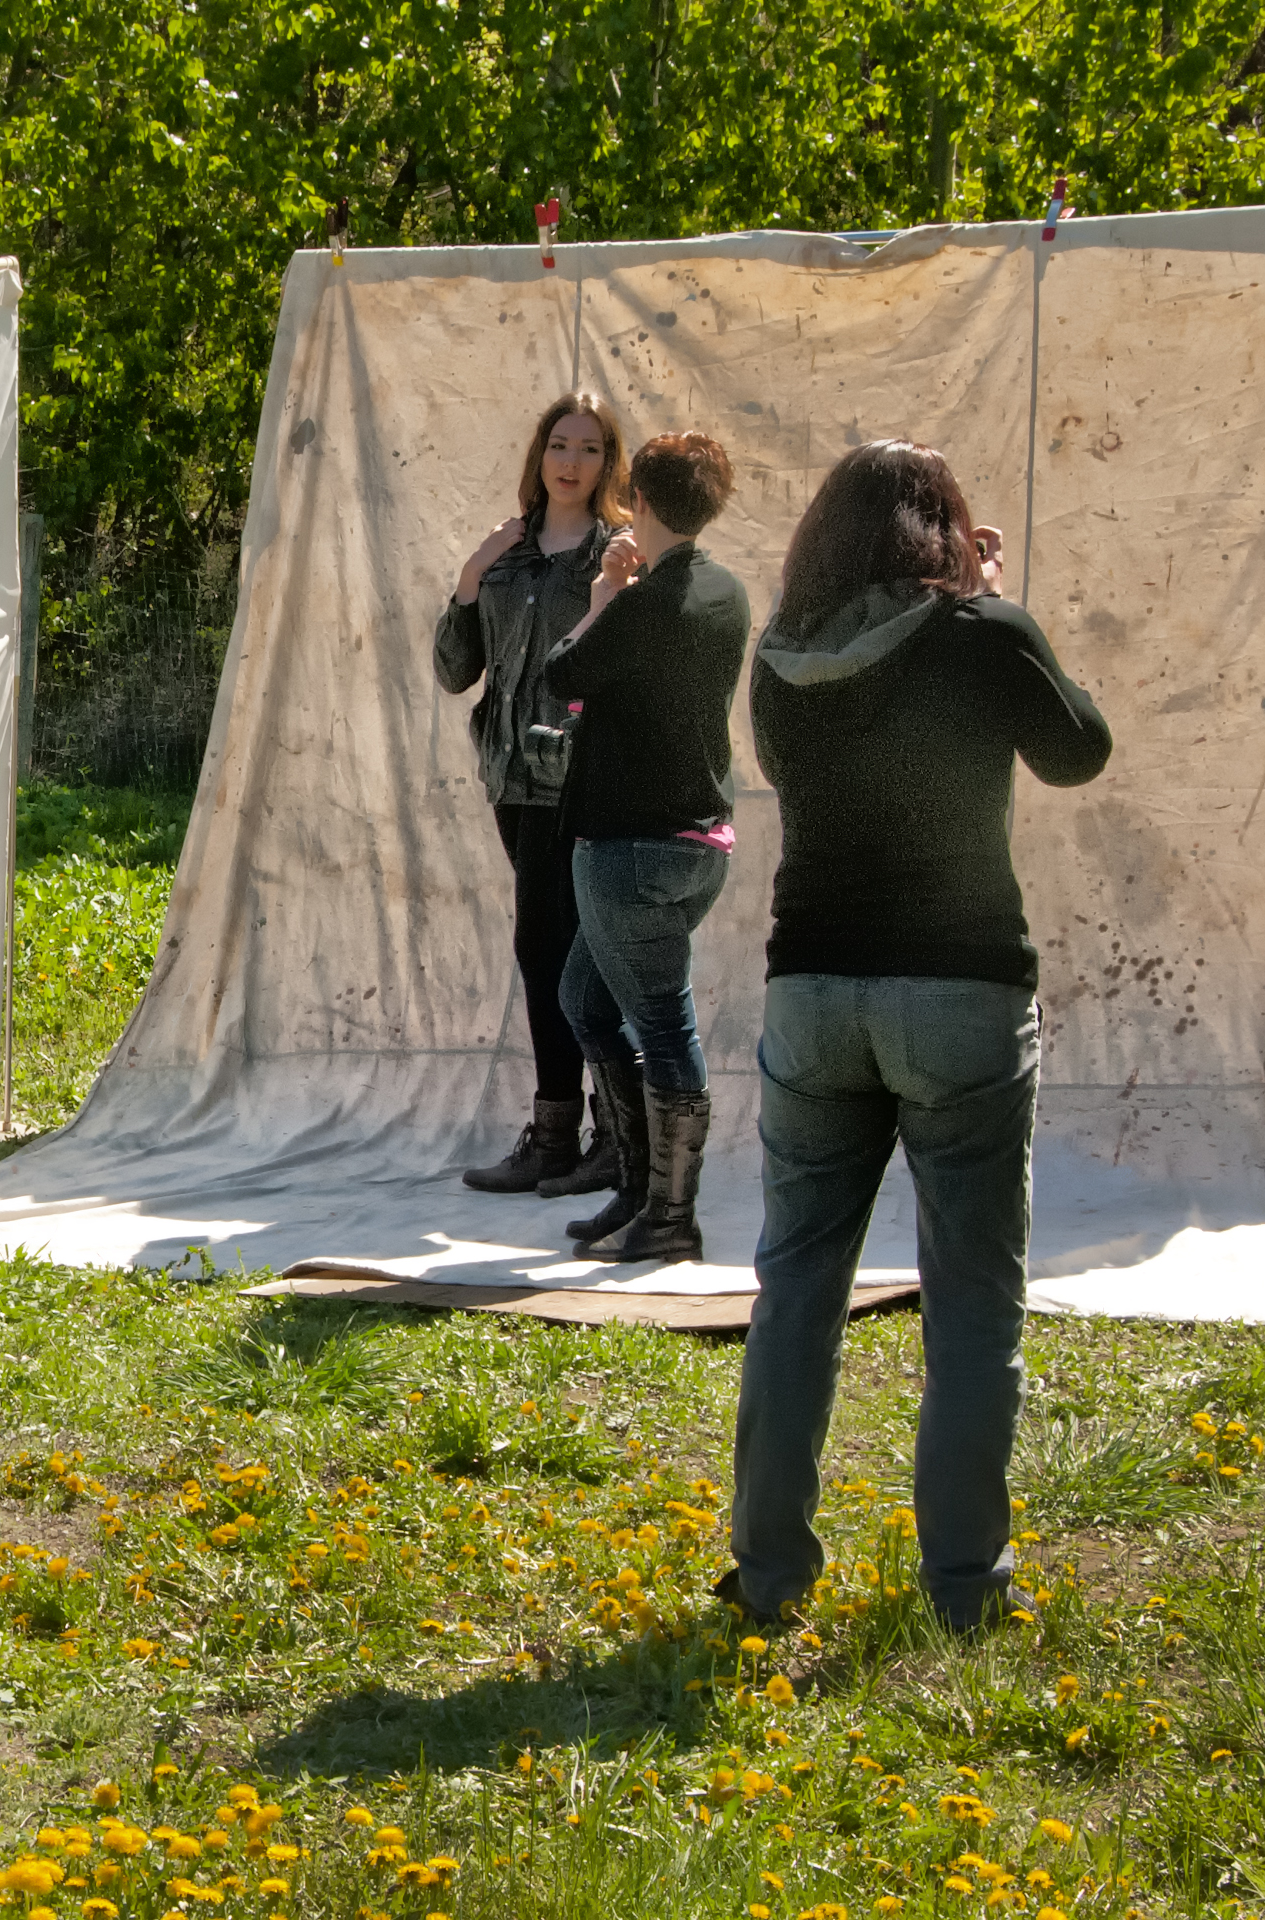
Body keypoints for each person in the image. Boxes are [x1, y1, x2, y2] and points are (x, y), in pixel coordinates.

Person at [719, 440, 1111, 1633]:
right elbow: (1078, 751)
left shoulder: (781, 662)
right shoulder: (982, 635)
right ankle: (964, 1590)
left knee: (794, 1290)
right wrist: (1001, 610)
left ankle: (769, 1574)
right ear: (949, 534)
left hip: (814, 993)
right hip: (960, 995)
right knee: (973, 1301)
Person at [544, 431, 750, 1264]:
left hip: (630, 847)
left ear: (637, 500)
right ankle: (638, 1191)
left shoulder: (641, 605)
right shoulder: (726, 592)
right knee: (586, 1002)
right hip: (699, 844)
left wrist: (602, 593)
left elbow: (562, 674)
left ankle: (670, 1218)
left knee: (662, 1024)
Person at [435, 393, 629, 1196]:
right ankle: (575, 1133)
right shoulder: (509, 554)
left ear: (608, 463)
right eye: (559, 444)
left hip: (581, 783)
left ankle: (590, 1134)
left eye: (588, 448)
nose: (571, 461)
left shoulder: (615, 555)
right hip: (512, 782)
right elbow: (455, 672)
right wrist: (470, 577)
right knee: (550, 952)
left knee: (563, 953)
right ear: (539, 455)